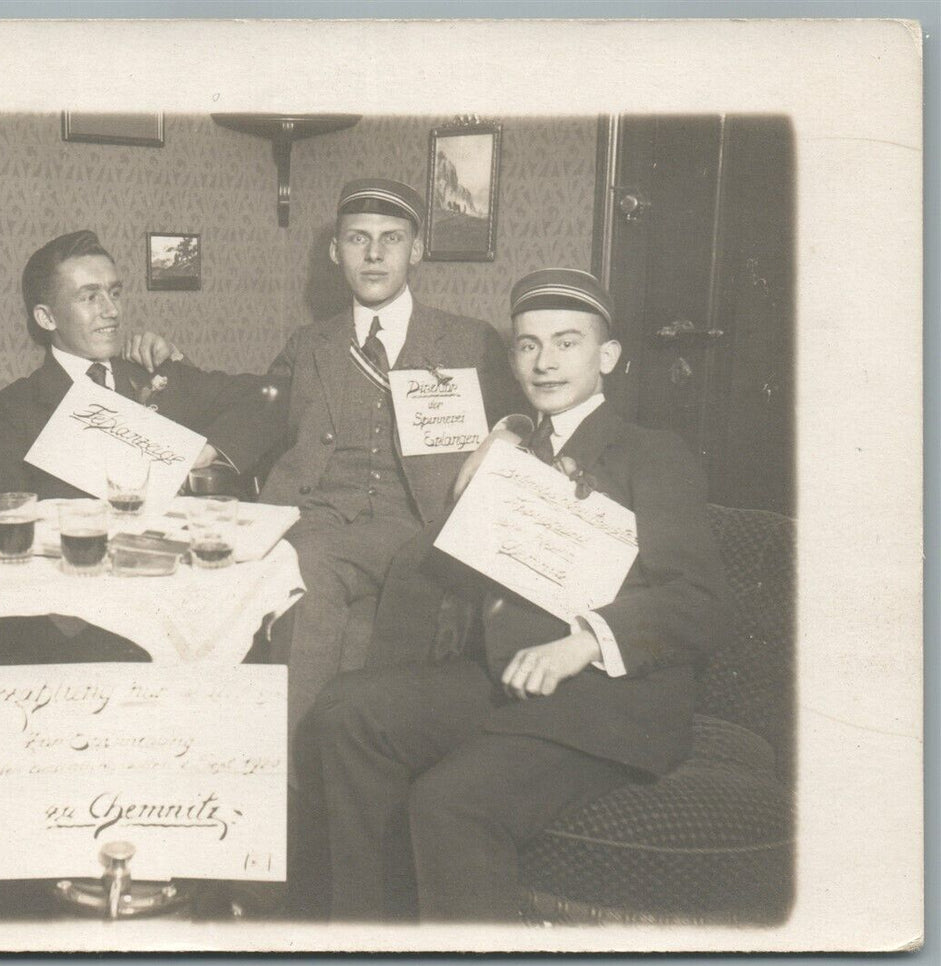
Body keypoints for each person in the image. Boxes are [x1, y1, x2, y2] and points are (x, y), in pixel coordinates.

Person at [289, 268, 736, 921]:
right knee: (344, 711)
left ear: (607, 357)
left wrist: (583, 643)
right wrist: (490, 459)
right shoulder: (507, 450)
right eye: (527, 345)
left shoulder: (652, 455)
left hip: (608, 702)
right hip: (506, 679)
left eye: (566, 342)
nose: (544, 361)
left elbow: (702, 601)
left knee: (450, 802)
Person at [260, 178, 522, 728]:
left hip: (419, 530)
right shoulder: (310, 344)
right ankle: (295, 788)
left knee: (360, 637)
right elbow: (250, 409)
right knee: (310, 576)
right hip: (322, 525)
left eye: (392, 239)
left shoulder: (468, 341)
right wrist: (169, 367)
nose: (375, 254)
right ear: (336, 252)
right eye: (358, 239)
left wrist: (510, 430)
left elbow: (523, 417)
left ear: (417, 249)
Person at [0, 228, 282, 541]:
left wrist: (208, 451)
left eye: (114, 293)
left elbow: (275, 396)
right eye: (89, 297)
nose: (111, 311)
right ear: (46, 317)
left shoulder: (157, 375)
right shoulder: (18, 407)